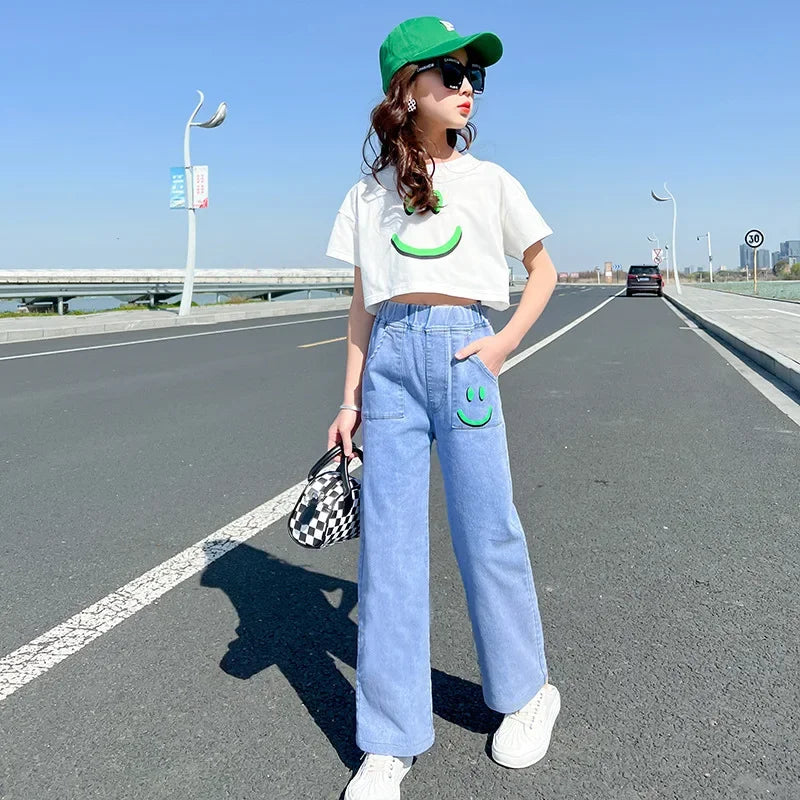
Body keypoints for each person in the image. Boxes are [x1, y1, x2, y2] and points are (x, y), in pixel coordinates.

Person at [325, 16, 561, 799]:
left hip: (465, 352)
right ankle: (389, 739)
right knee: (387, 550)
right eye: (451, 74)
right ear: (405, 88)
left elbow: (544, 272)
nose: (467, 88)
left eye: (474, 77)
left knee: (486, 527)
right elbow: (362, 303)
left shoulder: (491, 181)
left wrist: (499, 350)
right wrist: (349, 397)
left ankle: (527, 695)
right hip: (391, 360)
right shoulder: (369, 194)